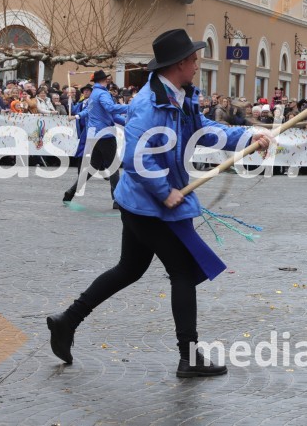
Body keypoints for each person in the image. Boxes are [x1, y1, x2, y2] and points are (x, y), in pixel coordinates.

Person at [47, 29, 272, 377]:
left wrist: (245, 136)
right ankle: (189, 356)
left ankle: (67, 321)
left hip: (150, 203)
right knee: (182, 270)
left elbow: (203, 131)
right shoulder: (148, 105)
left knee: (130, 269)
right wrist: (165, 191)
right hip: (146, 204)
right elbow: (138, 159)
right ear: (180, 63)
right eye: (194, 59)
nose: (198, 64)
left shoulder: (182, 96)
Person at [62, 70, 127, 206]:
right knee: (113, 166)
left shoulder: (94, 94)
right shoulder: (102, 94)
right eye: (107, 79)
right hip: (105, 134)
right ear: (105, 80)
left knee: (93, 166)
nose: (109, 80)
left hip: (94, 135)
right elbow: (111, 109)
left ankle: (71, 191)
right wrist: (131, 107)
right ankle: (117, 199)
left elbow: (108, 114)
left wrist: (127, 123)